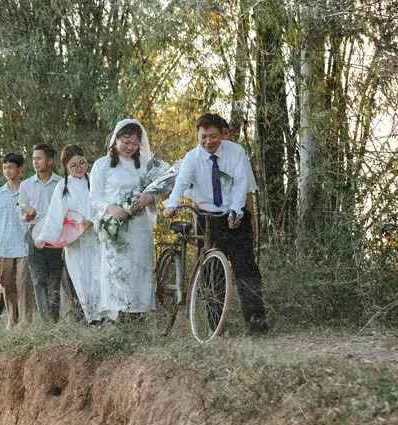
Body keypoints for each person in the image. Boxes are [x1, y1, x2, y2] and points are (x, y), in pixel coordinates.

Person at [164, 112, 269, 333]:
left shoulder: (235, 152)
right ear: (198, 135)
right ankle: (216, 326)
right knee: (211, 271)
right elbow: (181, 183)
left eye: (213, 136)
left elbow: (241, 183)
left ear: (221, 135)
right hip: (207, 218)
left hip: (235, 214)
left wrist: (237, 211)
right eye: (203, 137)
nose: (208, 141)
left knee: (245, 268)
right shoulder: (192, 158)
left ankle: (256, 321)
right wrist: (171, 205)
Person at [90, 119, 157, 322]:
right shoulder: (102, 165)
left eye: (134, 144)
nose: (129, 147)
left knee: (138, 267)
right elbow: (94, 196)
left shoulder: (145, 165)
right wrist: (111, 209)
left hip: (138, 226)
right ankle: (118, 313)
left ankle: (137, 312)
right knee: (118, 268)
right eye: (125, 142)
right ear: (115, 140)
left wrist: (149, 198)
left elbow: (156, 189)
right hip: (115, 226)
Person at [35, 145, 102, 324]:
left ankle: (106, 316)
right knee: (81, 278)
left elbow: (103, 206)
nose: (79, 168)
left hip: (96, 238)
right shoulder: (62, 187)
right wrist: (44, 237)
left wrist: (93, 221)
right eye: (73, 165)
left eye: (82, 163)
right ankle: (92, 318)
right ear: (65, 167)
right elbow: (54, 215)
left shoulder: (95, 180)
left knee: (99, 274)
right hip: (75, 243)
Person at [0, 152, 35, 329]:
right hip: (4, 247)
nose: (7, 171)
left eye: (11, 167)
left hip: (24, 246)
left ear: (20, 169)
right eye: (5, 167)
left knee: (23, 284)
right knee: (7, 284)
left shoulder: (28, 190)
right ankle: (11, 318)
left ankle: (25, 321)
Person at [19, 144, 64, 321]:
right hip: (34, 236)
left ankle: (54, 318)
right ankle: (47, 324)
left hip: (55, 238)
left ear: (50, 161)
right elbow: (22, 212)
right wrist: (27, 215)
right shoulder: (26, 185)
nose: (35, 162)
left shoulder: (61, 183)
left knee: (54, 280)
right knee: (38, 281)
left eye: (39, 158)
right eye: (34, 159)